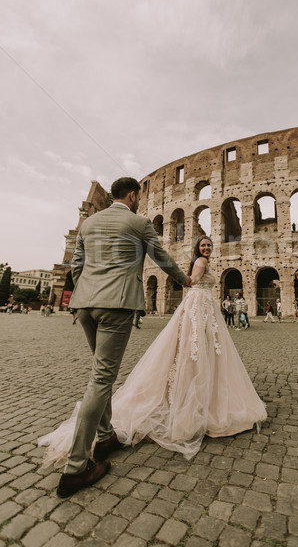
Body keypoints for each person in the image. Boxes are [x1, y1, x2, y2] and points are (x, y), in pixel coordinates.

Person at [39, 234, 266, 484]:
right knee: (196, 349)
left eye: (209, 245)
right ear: (197, 248)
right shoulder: (200, 262)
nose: (207, 248)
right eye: (203, 245)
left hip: (199, 305)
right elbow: (189, 283)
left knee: (195, 350)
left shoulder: (201, 261)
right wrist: (193, 289)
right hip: (199, 305)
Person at [39, 177, 190, 498]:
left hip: (86, 305)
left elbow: (76, 266)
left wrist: (80, 299)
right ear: (133, 195)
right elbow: (162, 258)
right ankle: (77, 467)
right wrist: (185, 279)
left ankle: (106, 435)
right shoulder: (138, 222)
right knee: (101, 378)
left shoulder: (90, 223)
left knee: (100, 372)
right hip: (117, 304)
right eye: (138, 197)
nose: (139, 202)